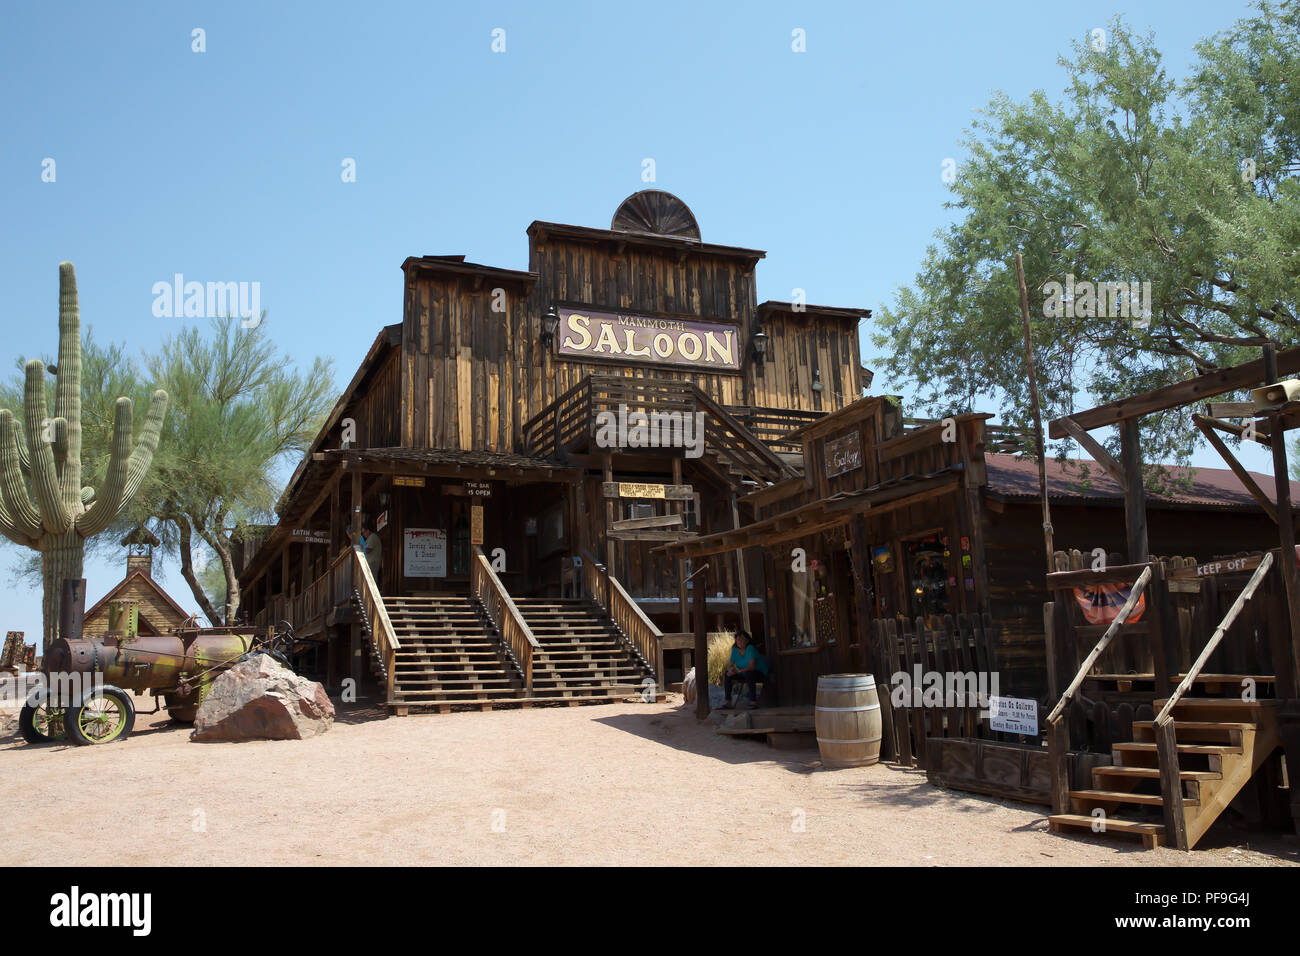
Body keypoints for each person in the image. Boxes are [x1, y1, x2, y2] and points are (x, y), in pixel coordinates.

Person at [723, 630, 767, 708]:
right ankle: (728, 702)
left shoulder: (750, 648)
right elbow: (730, 664)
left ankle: (753, 702)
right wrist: (730, 670)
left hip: (759, 673)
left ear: (747, 640)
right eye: (738, 639)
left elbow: (751, 667)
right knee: (727, 674)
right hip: (744, 673)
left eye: (742, 639)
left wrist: (737, 671)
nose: (740, 641)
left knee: (749, 673)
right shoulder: (735, 650)